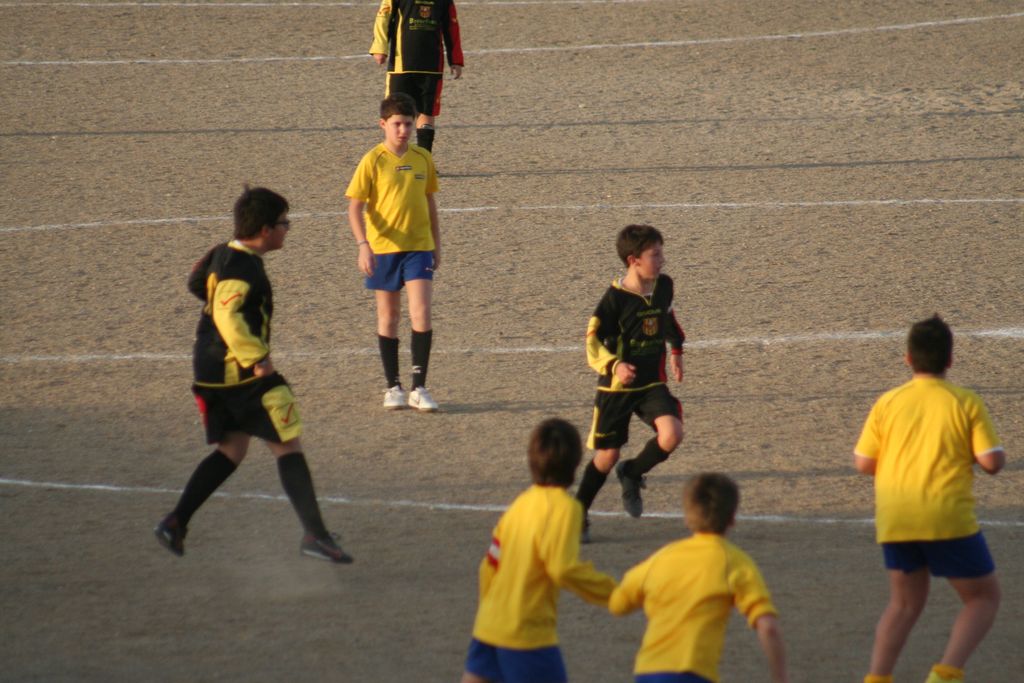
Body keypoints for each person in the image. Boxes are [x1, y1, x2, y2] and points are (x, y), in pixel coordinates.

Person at [154, 187, 353, 564]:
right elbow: (227, 315)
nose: (287, 229)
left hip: (210, 368)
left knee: (233, 448)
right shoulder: (243, 268)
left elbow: (197, 282)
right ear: (264, 230)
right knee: (287, 442)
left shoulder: (221, 252)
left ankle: (176, 521)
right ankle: (316, 535)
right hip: (239, 373)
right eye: (283, 223)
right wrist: (258, 359)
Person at [854, 315, 1006, 683]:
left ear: (908, 358)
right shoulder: (964, 401)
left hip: (896, 518)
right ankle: (945, 675)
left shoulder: (888, 402)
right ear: (950, 359)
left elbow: (864, 463)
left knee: (904, 604)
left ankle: (877, 678)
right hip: (946, 517)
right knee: (983, 598)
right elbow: (991, 462)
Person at [460, 418, 618, 683]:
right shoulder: (566, 508)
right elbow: (562, 569)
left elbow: (488, 566)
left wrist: (492, 611)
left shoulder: (519, 504)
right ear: (576, 463)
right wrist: (614, 593)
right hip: (526, 632)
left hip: (488, 624)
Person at [609, 473, 789, 683]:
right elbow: (768, 627)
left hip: (648, 672)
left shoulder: (661, 558)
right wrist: (780, 678)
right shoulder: (735, 562)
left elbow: (618, 604)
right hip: (693, 673)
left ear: (687, 518)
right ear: (732, 518)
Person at [575, 224, 685, 541]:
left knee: (672, 434)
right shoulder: (614, 300)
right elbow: (592, 341)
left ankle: (632, 472)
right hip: (617, 388)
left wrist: (676, 349)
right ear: (633, 261)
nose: (662, 260)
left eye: (661, 253)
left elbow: (666, 317)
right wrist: (615, 365)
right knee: (607, 456)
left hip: (650, 383)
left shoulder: (664, 286)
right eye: (655, 255)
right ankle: (578, 513)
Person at [346, 93, 441, 412]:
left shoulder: (422, 158)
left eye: (408, 124)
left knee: (421, 313)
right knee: (389, 317)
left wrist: (436, 245)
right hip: (383, 250)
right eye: (397, 124)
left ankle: (419, 387)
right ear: (383, 124)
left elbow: (430, 202)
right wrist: (363, 246)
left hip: (419, 248)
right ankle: (393, 386)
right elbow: (354, 208)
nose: (403, 130)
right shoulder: (372, 160)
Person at [369, 0, 464, 154]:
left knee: (426, 112)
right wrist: (380, 47)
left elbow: (451, 26)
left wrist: (456, 59)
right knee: (394, 111)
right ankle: (393, 157)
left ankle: (424, 158)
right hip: (401, 65)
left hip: (432, 66)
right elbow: (384, 16)